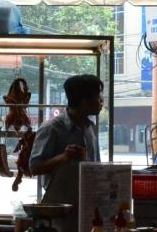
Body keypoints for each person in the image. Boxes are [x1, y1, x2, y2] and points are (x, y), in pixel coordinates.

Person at [30, 74, 103, 219]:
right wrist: (64, 157)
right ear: (85, 101)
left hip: (88, 204)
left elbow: (96, 167)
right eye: (98, 97)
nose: (101, 101)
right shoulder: (51, 128)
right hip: (59, 208)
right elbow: (34, 168)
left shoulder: (90, 128)